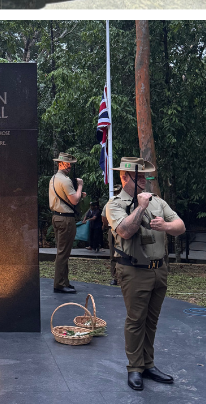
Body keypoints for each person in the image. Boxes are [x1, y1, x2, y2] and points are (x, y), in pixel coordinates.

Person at [105, 157, 185, 390]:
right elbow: (125, 231)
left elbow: (180, 226)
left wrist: (166, 226)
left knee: (152, 320)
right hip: (134, 270)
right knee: (136, 320)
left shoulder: (158, 202)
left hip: (159, 270)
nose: (143, 180)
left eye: (144, 176)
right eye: (138, 176)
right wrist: (140, 206)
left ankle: (148, 364)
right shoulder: (115, 204)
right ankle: (135, 368)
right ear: (124, 177)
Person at [48, 151, 83, 294]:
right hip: (65, 219)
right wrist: (80, 186)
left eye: (70, 164)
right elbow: (74, 200)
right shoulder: (66, 180)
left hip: (57, 217)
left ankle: (64, 281)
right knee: (63, 253)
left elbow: (66, 197)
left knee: (63, 251)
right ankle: (60, 284)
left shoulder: (54, 178)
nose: (69, 166)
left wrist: (78, 195)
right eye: (67, 164)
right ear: (60, 163)